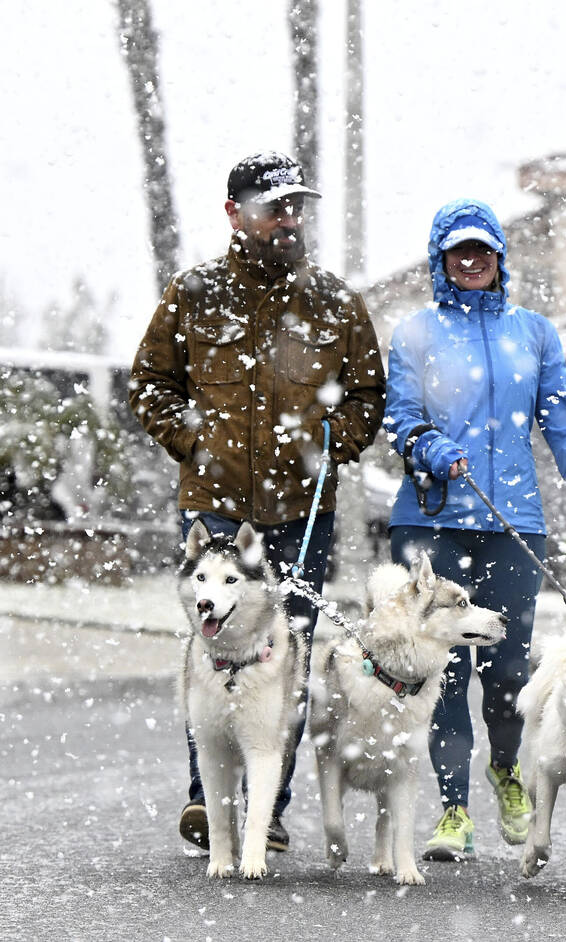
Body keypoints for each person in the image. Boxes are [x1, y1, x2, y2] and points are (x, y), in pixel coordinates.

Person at [128, 151, 385, 853]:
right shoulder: (194, 293)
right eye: (275, 206)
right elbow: (150, 382)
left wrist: (338, 441)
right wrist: (193, 442)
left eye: (296, 206)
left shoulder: (334, 301)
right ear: (235, 212)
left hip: (303, 512)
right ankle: (207, 800)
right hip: (214, 508)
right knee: (215, 654)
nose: (288, 218)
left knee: (285, 659)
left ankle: (267, 809)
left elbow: (367, 395)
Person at [384, 199, 566, 861]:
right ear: (441, 260)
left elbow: (563, 423)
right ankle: (452, 812)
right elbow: (400, 421)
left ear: (500, 258)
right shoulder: (414, 333)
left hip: (512, 524)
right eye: (458, 252)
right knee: (439, 674)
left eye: (483, 250)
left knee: (502, 674)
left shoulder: (534, 334)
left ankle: (505, 772)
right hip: (432, 520)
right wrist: (427, 446)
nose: (471, 261)